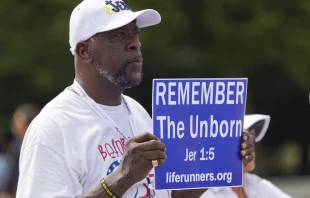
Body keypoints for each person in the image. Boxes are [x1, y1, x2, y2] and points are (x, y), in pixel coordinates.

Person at [16, 0, 255, 198]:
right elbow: (126, 178)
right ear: (84, 51)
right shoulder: (52, 128)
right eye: (119, 35)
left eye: (135, 33)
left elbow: (172, 195)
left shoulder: (138, 112)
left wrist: (225, 155)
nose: (136, 44)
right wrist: (122, 177)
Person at [200, 114, 292, 198]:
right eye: (245, 137)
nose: (251, 143)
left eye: (252, 135)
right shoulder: (204, 193)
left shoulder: (255, 183)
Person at [0, 103, 40, 198]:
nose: (13, 123)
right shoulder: (16, 145)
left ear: (29, 124)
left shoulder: (37, 147)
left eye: (17, 120)